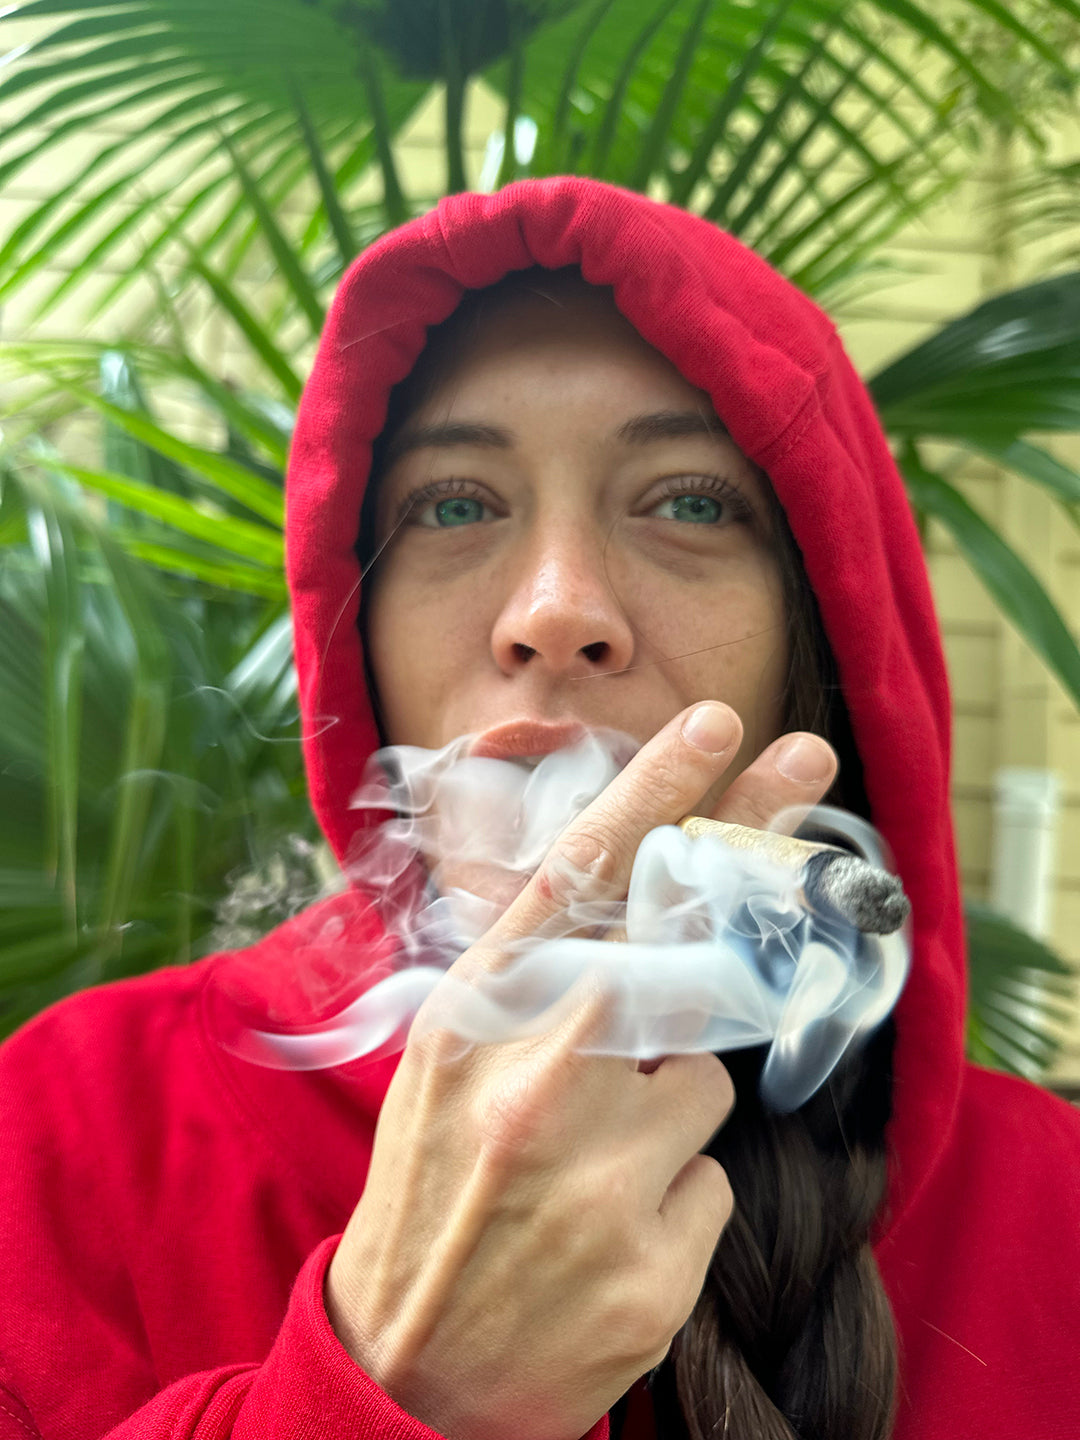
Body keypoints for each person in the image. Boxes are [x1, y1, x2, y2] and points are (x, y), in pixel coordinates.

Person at [1, 176, 1078, 1440]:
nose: (556, 610)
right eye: (453, 505)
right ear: (358, 637)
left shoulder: (1047, 1206)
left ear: (821, 628)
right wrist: (394, 1390)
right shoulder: (62, 1134)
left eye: (689, 502)